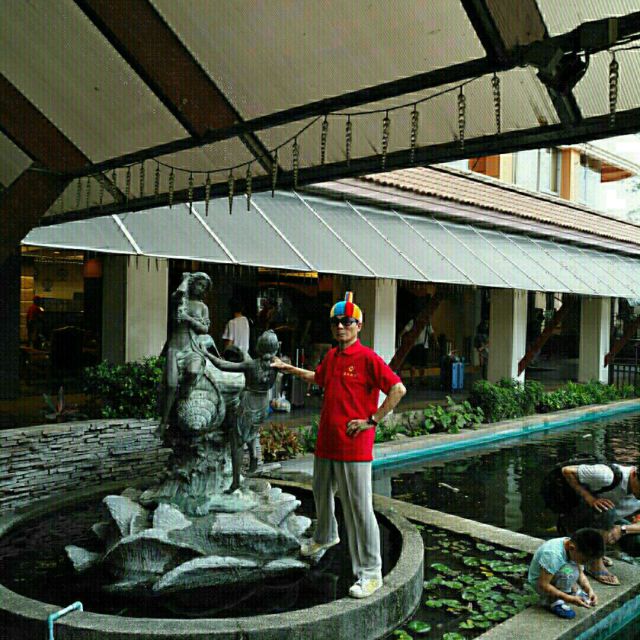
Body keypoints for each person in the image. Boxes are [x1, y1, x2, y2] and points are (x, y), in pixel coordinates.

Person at [271, 291, 406, 599]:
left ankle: (371, 573)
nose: (341, 327)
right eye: (336, 322)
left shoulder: (368, 358)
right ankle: (325, 536)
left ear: (359, 326)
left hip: (353, 446)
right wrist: (288, 369)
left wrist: (372, 420)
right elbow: (318, 378)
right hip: (327, 442)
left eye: (347, 322)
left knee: (358, 509)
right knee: (321, 493)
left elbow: (398, 389)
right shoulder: (332, 356)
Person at [205, 330, 279, 492]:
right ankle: (254, 455)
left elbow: (223, 365)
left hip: (249, 403)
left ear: (259, 347)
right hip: (263, 403)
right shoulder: (277, 365)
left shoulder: (252, 365)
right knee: (252, 430)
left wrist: (207, 354)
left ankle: (235, 482)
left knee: (237, 441)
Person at [559, 460, 640, 585]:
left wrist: (623, 529)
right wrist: (590, 498)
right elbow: (567, 470)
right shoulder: (606, 474)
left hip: (607, 522)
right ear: (634, 474)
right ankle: (595, 564)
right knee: (606, 509)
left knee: (637, 542)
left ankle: (590, 551)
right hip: (575, 519)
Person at [159, 272, 213, 431]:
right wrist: (186, 279)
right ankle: (164, 422)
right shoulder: (181, 301)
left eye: (203, 286)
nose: (200, 288)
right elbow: (178, 294)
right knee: (170, 385)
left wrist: (188, 319)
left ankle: (183, 398)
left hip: (192, 347)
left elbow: (205, 329)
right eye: (198, 284)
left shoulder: (203, 307)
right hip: (175, 347)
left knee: (193, 372)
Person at [528, 528, 603, 619]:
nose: (585, 563)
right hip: (541, 582)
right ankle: (552, 601)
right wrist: (568, 598)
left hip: (558, 572)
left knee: (572, 569)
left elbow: (580, 574)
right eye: (584, 560)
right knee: (568, 572)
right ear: (572, 548)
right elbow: (543, 585)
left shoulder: (574, 548)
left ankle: (572, 590)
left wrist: (589, 590)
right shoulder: (553, 555)